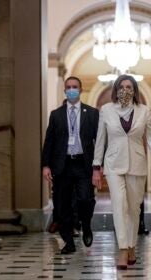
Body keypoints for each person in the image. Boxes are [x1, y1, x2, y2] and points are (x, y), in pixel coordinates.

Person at [92, 74, 151, 269]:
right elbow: (100, 139)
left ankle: (132, 245)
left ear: (135, 90)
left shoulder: (144, 111)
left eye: (130, 87)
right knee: (119, 204)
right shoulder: (106, 110)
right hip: (113, 164)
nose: (126, 90)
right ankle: (123, 250)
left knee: (134, 208)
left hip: (137, 163)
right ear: (116, 89)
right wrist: (96, 167)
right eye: (122, 86)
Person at [42, 76, 99, 254]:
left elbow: (99, 140)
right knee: (62, 205)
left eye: (75, 87)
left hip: (83, 164)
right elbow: (49, 141)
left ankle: (86, 225)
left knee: (84, 199)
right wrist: (45, 165)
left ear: (81, 90)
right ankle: (68, 242)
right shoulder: (56, 114)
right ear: (65, 90)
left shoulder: (91, 113)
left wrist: (99, 165)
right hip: (63, 164)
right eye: (68, 87)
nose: (71, 89)